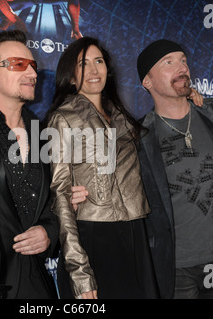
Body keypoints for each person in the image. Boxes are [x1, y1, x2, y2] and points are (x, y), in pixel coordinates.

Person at [136, 39, 213, 298]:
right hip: (176, 270)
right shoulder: (139, 135)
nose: (181, 68)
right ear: (147, 81)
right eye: (168, 63)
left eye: (183, 61)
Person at [46, 37, 160, 299]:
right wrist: (79, 271)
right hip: (93, 237)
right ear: (71, 77)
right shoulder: (63, 118)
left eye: (99, 61)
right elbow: (61, 196)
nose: (94, 70)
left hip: (135, 235)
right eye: (83, 64)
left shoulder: (121, 115)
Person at [0, 30, 59, 299]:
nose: (32, 73)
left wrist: (49, 232)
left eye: (33, 66)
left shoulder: (43, 132)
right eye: (19, 64)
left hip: (35, 280)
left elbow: (55, 197)